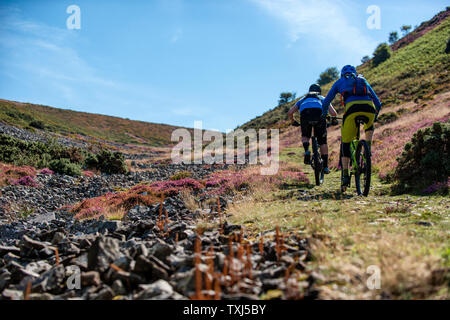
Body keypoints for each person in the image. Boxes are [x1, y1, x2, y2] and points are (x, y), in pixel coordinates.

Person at [321, 65, 382, 187]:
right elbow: (378, 104)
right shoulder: (363, 81)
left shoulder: (339, 82)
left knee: (346, 143)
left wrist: (324, 115)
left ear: (342, 74)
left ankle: (345, 175)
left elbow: (326, 101)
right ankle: (367, 150)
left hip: (351, 111)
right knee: (369, 126)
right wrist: (374, 117)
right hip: (369, 108)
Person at [288, 84, 337, 174]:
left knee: (306, 135)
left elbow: (290, 112)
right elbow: (334, 113)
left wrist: (293, 121)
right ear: (319, 91)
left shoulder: (303, 99)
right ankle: (325, 166)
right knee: (322, 141)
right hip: (319, 116)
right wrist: (333, 120)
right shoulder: (322, 98)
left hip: (305, 116)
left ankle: (307, 150)